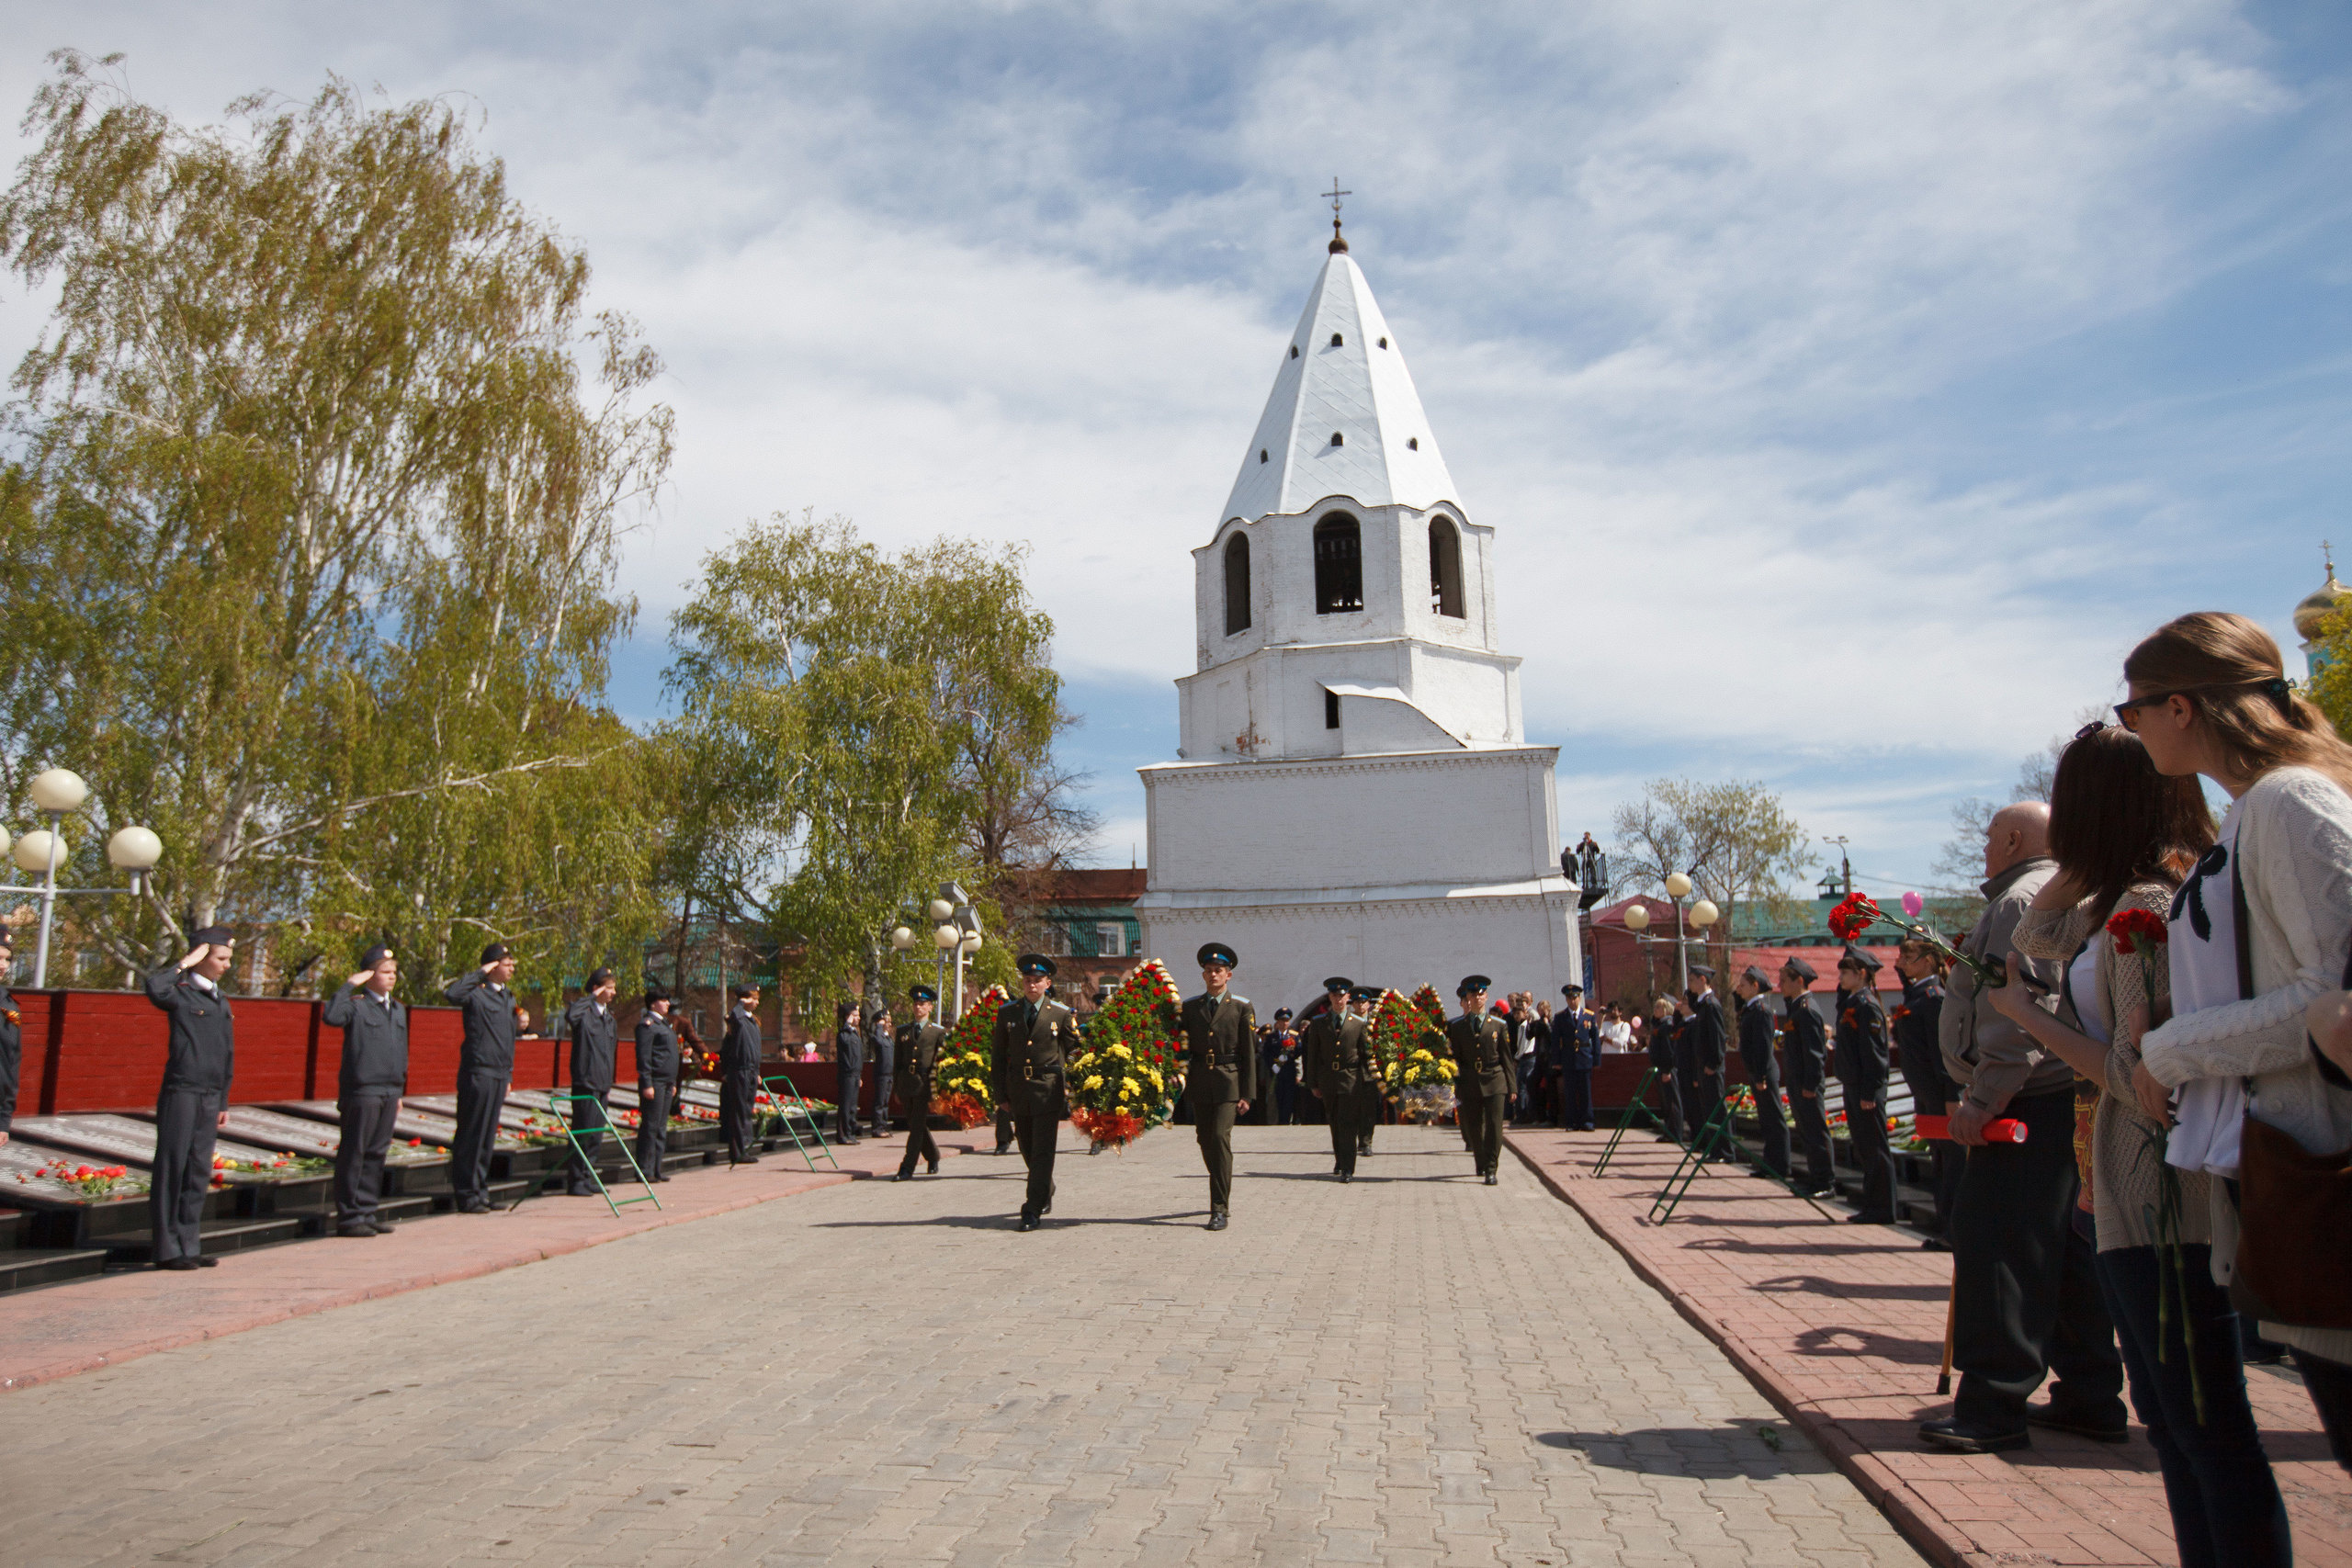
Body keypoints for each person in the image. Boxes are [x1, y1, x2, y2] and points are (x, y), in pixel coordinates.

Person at [1988, 720, 2290, 1565]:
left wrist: (2027, 1017)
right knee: (2176, 1424)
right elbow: (2034, 943)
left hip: (2164, 1192)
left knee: (2206, 1426)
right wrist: (2079, 862)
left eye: (2070, 798)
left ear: (2094, 807)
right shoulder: (2111, 900)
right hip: (2121, 1187)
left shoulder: (2147, 909)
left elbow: (2140, 1077)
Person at [2124, 612, 2352, 1474]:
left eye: (2134, 707)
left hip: (2325, 1172)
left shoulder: (2290, 801)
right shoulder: (2262, 809)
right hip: (2294, 1166)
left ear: (2181, 706)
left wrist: (2172, 1049)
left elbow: (2327, 998)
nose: (2131, 726)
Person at [1928, 799, 2123, 1454]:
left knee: (1998, 1248)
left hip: (2024, 1100)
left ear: (2014, 837)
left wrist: (1982, 1100)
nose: (1984, 849)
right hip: (2064, 1096)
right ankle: (2091, 1394)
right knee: (2064, 1253)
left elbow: (2016, 1012)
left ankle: (1993, 1404)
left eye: (1989, 837)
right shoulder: (2066, 889)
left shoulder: (2020, 900)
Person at [141, 927, 236, 1268]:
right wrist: (185, 962)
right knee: (172, 1167)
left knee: (197, 1171)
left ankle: (188, 1245)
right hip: (182, 1092)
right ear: (202, 956)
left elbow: (227, 1053)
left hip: (210, 1096)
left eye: (228, 959)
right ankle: (167, 1250)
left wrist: (223, 1100)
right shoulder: (180, 992)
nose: (226, 965)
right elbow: (154, 988)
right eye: (220, 958)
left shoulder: (219, 998)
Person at [322, 944, 406, 1235]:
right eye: (385, 972)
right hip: (363, 1091)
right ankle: (349, 1216)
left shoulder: (397, 1010)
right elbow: (331, 1016)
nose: (392, 977)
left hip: (389, 1090)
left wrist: (399, 1091)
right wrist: (348, 985)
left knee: (376, 1153)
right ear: (369, 975)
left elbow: (400, 1053)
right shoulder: (357, 1006)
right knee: (354, 1152)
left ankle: (367, 1211)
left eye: (394, 972)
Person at [1173, 942, 1257, 1229]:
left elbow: (1249, 1053)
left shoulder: (1241, 1008)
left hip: (1228, 1082)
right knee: (1204, 1139)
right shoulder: (1190, 1007)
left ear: (1228, 975)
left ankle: (1219, 1207)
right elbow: (1180, 1046)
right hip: (1200, 1082)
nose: (1213, 975)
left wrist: (1247, 1093)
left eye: (1218, 970)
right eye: (1208, 970)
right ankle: (1220, 1181)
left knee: (1220, 1138)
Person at [994, 953, 1080, 1231]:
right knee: (1027, 1147)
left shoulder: (1061, 1014)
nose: (1032, 985)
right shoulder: (1007, 1013)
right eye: (1028, 980)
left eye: (1037, 981)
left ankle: (1031, 1209)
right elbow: (997, 1057)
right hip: (1019, 1089)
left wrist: (1077, 1087)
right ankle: (1046, 1187)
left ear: (1047, 983)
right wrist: (1000, 1096)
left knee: (1043, 1151)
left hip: (1048, 1090)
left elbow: (1074, 1050)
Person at [1892, 938, 1961, 1245]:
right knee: (1939, 1161)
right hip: (1925, 1092)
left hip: (1938, 1093)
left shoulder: (1934, 998)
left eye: (1909, 957)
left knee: (1951, 1165)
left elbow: (1942, 1051)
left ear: (1930, 961)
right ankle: (1944, 1226)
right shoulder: (1918, 994)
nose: (1902, 963)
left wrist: (1951, 1095)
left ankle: (1955, 1231)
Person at [444, 943, 520, 1214]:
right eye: (507, 963)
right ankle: (466, 1194)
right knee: (471, 1134)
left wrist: (509, 1073)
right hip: (478, 1071)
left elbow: (508, 1039)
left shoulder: (507, 998)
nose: (512, 968)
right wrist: (480, 972)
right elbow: (452, 994)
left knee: (487, 1137)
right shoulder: (477, 994)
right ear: (492, 966)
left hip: (499, 1072)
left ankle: (480, 1190)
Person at [1832, 948, 1896, 1220]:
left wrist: (1870, 1091)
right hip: (1854, 1085)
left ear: (1860, 975)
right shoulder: (1853, 1002)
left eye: (1845, 973)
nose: (1841, 978)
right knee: (1866, 1148)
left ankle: (1882, 1207)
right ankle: (1872, 1204)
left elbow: (1875, 1055)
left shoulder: (1866, 1005)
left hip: (1865, 1088)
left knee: (1875, 1149)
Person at [1303, 978, 1374, 1180]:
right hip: (1328, 1080)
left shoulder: (1358, 1023)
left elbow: (1365, 1053)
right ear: (1330, 997)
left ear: (1348, 998)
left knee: (1348, 1123)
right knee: (1334, 1122)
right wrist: (1313, 1083)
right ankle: (1340, 1159)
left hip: (1351, 1079)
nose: (1338, 999)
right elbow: (1313, 1055)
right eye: (1334, 996)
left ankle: (1348, 1168)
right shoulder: (1318, 1023)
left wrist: (1371, 1077)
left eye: (1342, 996)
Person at [561, 967, 621, 1196]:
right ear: (597, 989)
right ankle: (576, 1180)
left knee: (596, 1133)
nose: (614, 992)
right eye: (610, 987)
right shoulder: (584, 1014)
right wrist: (590, 997)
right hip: (586, 1081)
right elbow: (570, 1015)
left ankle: (588, 1175)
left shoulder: (609, 1018)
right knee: (583, 1132)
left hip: (603, 1082)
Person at [1779, 960, 1835, 1195]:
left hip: (1806, 1083)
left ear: (1798, 981)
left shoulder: (1808, 1009)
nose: (1779, 985)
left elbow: (1814, 1052)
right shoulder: (1796, 1006)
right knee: (1806, 1131)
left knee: (1815, 1132)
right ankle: (1815, 1177)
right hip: (1797, 1080)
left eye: (1784, 981)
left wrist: (1810, 1084)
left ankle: (1825, 1182)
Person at [1448, 976, 1510, 1184]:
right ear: (1467, 998)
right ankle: (1481, 1161)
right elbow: (1454, 1058)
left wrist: (1512, 1086)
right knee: (1474, 1126)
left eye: (1481, 993)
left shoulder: (1499, 1025)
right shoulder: (1457, 1027)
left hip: (1495, 1079)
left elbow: (1506, 1058)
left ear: (1487, 996)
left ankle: (1491, 1168)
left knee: (1494, 1126)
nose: (1477, 997)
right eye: (1473, 994)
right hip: (1469, 1081)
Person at [1731, 965, 1789, 1180]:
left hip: (1764, 1072)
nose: (1740, 989)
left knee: (1774, 1120)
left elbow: (1764, 1046)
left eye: (1744, 985)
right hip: (1757, 1071)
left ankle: (1780, 1165)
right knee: (1766, 1120)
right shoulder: (1751, 1008)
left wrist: (1762, 1075)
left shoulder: (1762, 1010)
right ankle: (1770, 1162)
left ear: (1755, 986)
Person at [1677, 964, 1730, 1157]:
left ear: (1703, 980)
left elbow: (1717, 1037)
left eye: (1692, 980)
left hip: (1711, 1067)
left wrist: (1713, 1063)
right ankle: (1715, 1149)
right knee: (1708, 1109)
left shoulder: (1711, 1004)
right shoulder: (1703, 1004)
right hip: (1704, 1065)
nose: (1689, 983)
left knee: (1716, 1110)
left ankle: (1724, 1150)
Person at [894, 986, 945, 1181]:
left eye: (922, 1004)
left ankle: (907, 1167)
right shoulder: (902, 1031)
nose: (918, 1007)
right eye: (916, 1004)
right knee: (917, 1124)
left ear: (930, 1007)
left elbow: (940, 1062)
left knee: (915, 1127)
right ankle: (933, 1156)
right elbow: (897, 1063)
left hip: (925, 1085)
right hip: (907, 1083)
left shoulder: (937, 1032)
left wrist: (936, 1089)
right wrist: (896, 1088)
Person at [634, 986, 681, 1182]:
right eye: (664, 1000)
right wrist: (647, 1083)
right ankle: (645, 1170)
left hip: (667, 1082)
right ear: (654, 1003)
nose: (668, 1003)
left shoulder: (664, 1024)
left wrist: (673, 1082)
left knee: (661, 1126)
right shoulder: (648, 1025)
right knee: (651, 1126)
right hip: (655, 1082)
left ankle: (656, 1168)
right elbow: (644, 1057)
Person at [721, 982, 764, 1164]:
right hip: (739, 1072)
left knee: (746, 1111)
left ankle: (745, 1148)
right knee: (739, 1112)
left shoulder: (752, 1021)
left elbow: (754, 1051)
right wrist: (740, 1003)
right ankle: (738, 1151)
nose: (756, 1002)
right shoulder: (738, 1018)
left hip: (751, 1072)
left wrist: (757, 1072)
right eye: (753, 998)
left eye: (756, 999)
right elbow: (733, 1016)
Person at [1556, 986, 1599, 1131]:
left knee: (1585, 1092)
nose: (1572, 1001)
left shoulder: (1589, 1015)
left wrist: (1596, 1059)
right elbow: (1556, 1041)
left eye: (1574, 997)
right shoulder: (1560, 1017)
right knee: (1570, 1092)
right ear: (1566, 999)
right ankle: (1572, 1122)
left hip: (1584, 1057)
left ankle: (1587, 1121)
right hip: (1568, 1059)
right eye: (1569, 998)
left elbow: (1595, 1039)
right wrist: (1556, 1061)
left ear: (1579, 998)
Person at [1646, 997, 1685, 1143]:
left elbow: (1669, 1049)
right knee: (1666, 1102)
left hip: (1667, 1068)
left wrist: (1668, 1069)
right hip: (1660, 1068)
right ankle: (1669, 1130)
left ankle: (1675, 1132)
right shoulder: (1659, 1025)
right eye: (1655, 1007)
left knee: (1673, 1101)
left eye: (1658, 1007)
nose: (1655, 1010)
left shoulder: (1668, 1025)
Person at [1267, 1009, 1302, 1125]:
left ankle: (1285, 1121)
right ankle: (1278, 1120)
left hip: (1289, 1072)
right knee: (1277, 1097)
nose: (1285, 1023)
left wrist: (1290, 1056)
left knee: (1288, 1098)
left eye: (1287, 1020)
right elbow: (1266, 1053)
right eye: (1282, 1020)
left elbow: (1299, 1052)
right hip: (1276, 1072)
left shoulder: (1294, 1036)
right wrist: (1272, 1065)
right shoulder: (1271, 1037)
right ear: (1278, 1022)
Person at [0, 933, 18, 1145]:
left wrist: (4, 1121)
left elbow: (11, 1063)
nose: (3, 965)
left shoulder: (10, 1007)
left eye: (7, 959)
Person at [867, 1005, 895, 1140]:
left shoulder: (888, 1038)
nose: (889, 1024)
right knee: (879, 1102)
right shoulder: (877, 1037)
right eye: (886, 1021)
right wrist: (879, 1026)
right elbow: (877, 1042)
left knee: (885, 1102)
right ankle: (877, 1128)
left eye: (889, 1021)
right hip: (881, 1074)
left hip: (889, 1074)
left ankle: (883, 1126)